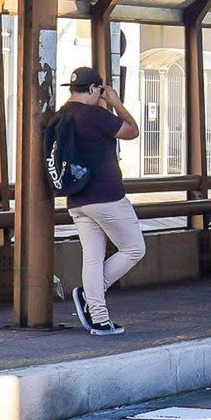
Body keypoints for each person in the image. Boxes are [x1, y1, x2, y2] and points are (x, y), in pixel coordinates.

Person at [57, 66, 145, 335]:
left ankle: (99, 318)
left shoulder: (60, 116)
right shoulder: (95, 115)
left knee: (92, 258)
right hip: (107, 197)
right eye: (99, 91)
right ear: (95, 89)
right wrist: (116, 103)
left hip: (76, 200)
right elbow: (132, 131)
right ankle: (89, 295)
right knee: (134, 249)